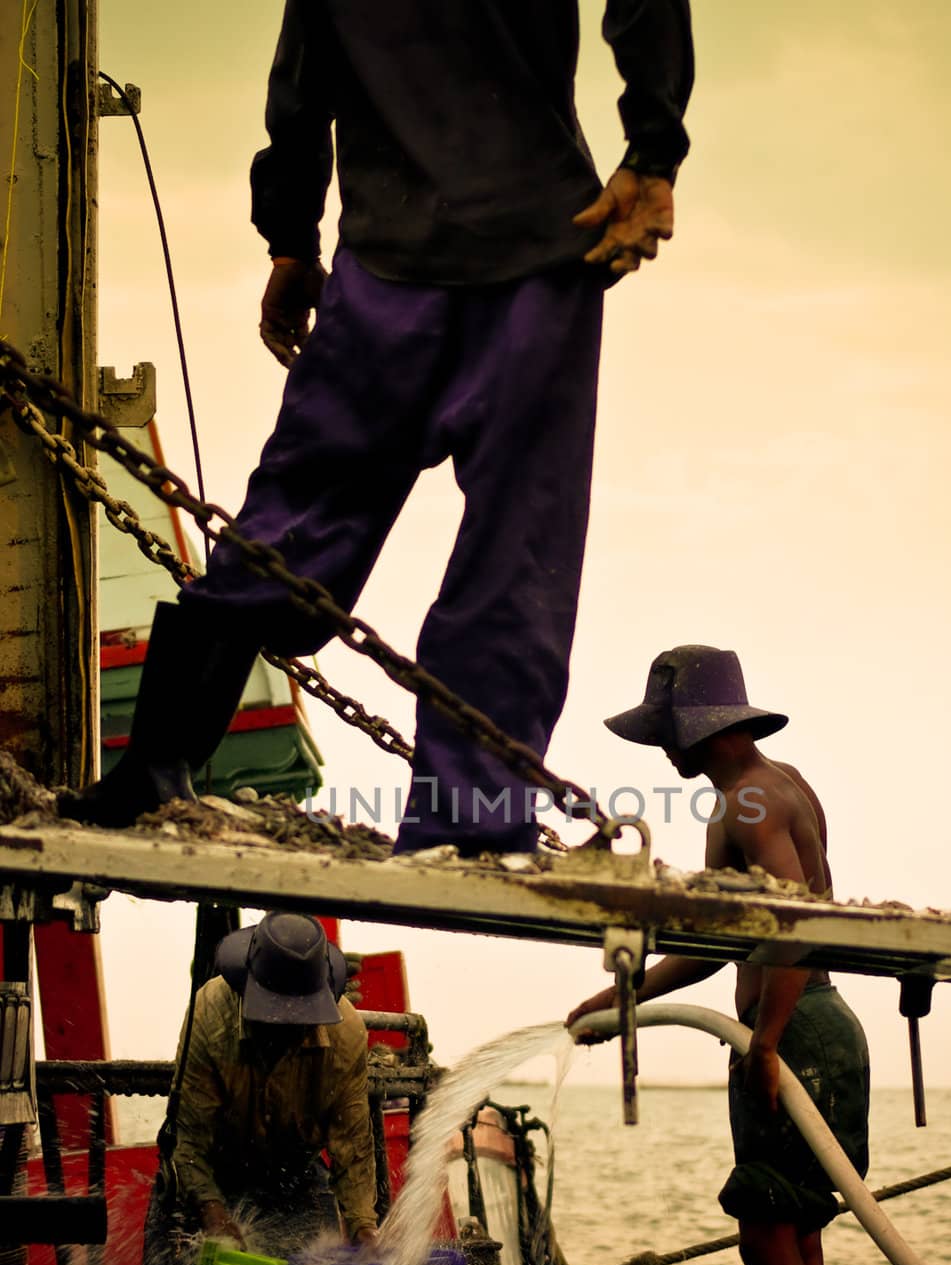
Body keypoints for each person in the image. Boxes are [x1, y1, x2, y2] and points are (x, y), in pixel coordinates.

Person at [64, 3, 694, 853]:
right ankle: (468, 824)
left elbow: (298, 93)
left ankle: (153, 767)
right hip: (539, 256)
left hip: (386, 265)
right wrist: (651, 155)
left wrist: (292, 244)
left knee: (288, 524)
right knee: (516, 549)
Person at [566, 646, 870, 1265]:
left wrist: (767, 1040)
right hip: (798, 1024)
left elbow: (793, 920)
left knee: (774, 1233)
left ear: (701, 727)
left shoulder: (749, 797)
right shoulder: (774, 783)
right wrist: (622, 998)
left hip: (797, 1027)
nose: (663, 750)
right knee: (781, 1232)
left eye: (667, 731)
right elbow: (712, 950)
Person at [131, 911, 377, 1265]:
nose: (284, 1029)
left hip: (293, 1175)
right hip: (212, 1168)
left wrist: (363, 1228)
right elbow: (188, 1141)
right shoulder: (211, 1013)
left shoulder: (347, 1033)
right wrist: (214, 1215)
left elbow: (352, 1146)